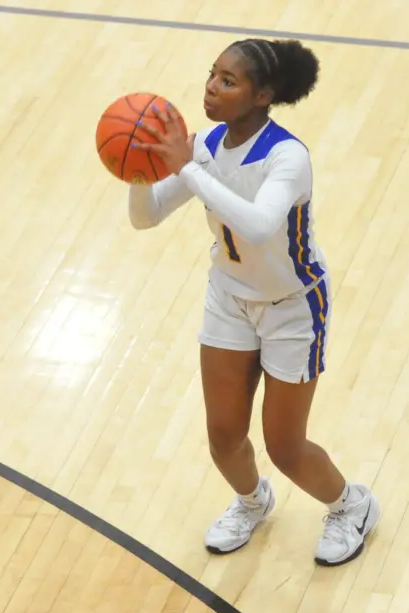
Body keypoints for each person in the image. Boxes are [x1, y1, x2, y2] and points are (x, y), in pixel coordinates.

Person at [128, 38, 379, 567]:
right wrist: (138, 172)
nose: (210, 87)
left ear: (262, 95)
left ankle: (351, 505)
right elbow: (146, 217)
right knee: (223, 435)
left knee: (285, 447)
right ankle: (251, 501)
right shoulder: (205, 146)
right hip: (229, 296)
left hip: (292, 307)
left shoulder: (287, 156)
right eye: (212, 73)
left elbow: (261, 225)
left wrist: (188, 169)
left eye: (228, 81)